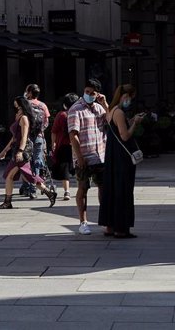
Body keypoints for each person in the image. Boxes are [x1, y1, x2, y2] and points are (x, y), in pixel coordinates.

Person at [98, 84, 146, 238]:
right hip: (122, 158)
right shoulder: (119, 112)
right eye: (130, 98)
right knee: (122, 190)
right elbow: (125, 136)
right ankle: (121, 228)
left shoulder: (111, 111)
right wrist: (136, 123)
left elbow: (118, 129)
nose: (130, 101)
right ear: (125, 96)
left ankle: (110, 226)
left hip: (112, 156)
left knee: (112, 189)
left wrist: (130, 120)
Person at [0, 96, 57, 209]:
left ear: (21, 105)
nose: (15, 108)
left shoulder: (24, 118)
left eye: (17, 106)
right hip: (17, 150)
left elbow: (24, 137)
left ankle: (7, 202)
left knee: (10, 176)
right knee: (29, 176)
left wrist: (20, 151)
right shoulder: (19, 117)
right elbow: (14, 137)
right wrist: (5, 150)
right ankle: (49, 193)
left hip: (21, 152)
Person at [68, 78, 108, 235]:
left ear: (98, 94)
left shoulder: (99, 108)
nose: (89, 95)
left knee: (103, 188)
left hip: (100, 156)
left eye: (92, 93)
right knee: (83, 188)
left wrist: (105, 104)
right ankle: (83, 222)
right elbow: (73, 135)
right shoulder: (76, 109)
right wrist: (80, 157)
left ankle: (105, 219)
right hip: (84, 156)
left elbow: (112, 121)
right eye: (87, 92)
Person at [19, 84, 50, 199]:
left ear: (30, 93)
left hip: (26, 137)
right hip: (39, 137)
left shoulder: (25, 105)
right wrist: (40, 131)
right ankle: (34, 188)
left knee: (25, 162)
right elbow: (46, 122)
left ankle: (27, 185)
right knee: (37, 161)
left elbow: (19, 120)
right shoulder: (43, 105)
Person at [51, 93, 79, 201]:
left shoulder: (61, 115)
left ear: (65, 105)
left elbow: (54, 131)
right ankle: (81, 189)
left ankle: (67, 191)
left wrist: (53, 143)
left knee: (65, 170)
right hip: (77, 144)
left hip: (63, 146)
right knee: (77, 167)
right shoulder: (79, 113)